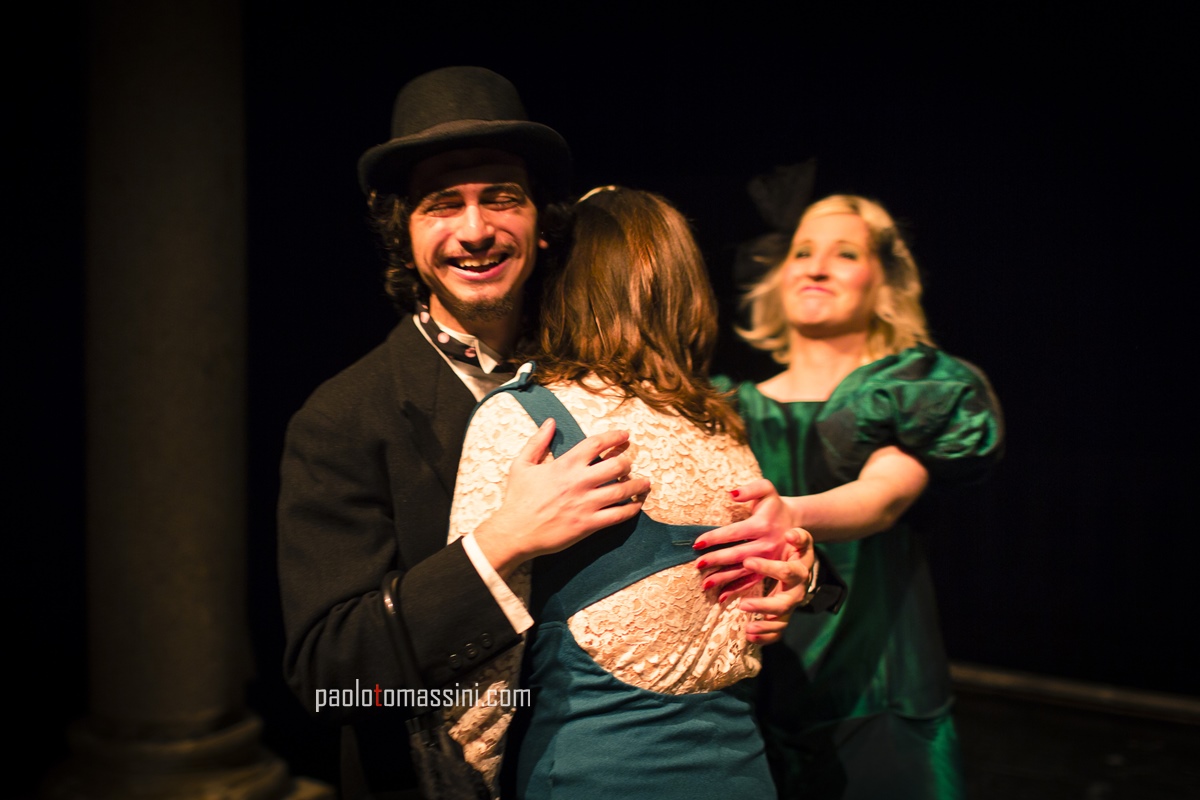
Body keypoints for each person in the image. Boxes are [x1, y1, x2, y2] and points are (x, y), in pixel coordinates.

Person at [277, 67, 815, 799]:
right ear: (403, 233)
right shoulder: (346, 417)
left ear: (541, 221)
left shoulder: (623, 374)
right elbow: (329, 679)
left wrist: (797, 571)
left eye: (501, 198)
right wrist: (502, 542)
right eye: (442, 205)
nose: (475, 230)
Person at [442, 186, 808, 799]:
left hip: (591, 774)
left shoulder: (527, 419)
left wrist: (469, 776)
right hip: (741, 773)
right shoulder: (722, 430)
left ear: (564, 282)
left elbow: (479, 656)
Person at [714, 193, 1005, 799]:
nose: (817, 268)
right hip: (748, 690)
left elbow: (882, 498)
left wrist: (791, 513)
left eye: (845, 254)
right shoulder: (726, 406)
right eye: (803, 252)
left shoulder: (905, 392)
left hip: (876, 691)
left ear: (884, 281)